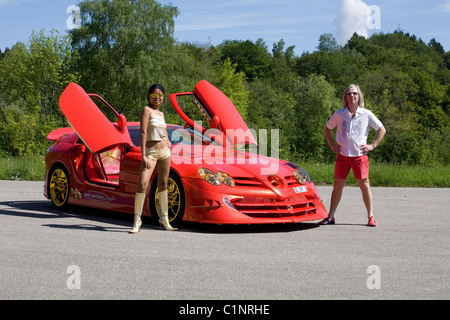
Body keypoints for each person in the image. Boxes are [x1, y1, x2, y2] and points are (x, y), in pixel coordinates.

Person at [320, 84, 386, 227]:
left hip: (359, 156)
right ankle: (330, 216)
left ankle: (371, 217)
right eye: (349, 94)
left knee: (365, 185)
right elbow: (327, 128)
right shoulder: (339, 114)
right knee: (337, 186)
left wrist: (372, 145)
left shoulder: (366, 114)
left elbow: (381, 129)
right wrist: (332, 144)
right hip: (343, 155)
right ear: (345, 97)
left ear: (359, 96)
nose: (352, 96)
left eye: (354, 93)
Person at [130, 84, 177, 233]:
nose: (158, 98)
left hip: (165, 152)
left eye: (160, 95)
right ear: (149, 96)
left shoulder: (162, 114)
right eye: (155, 95)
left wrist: (168, 141)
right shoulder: (146, 110)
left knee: (163, 184)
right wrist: (144, 154)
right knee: (143, 183)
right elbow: (143, 132)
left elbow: (162, 131)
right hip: (150, 152)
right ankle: (137, 220)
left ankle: (164, 219)